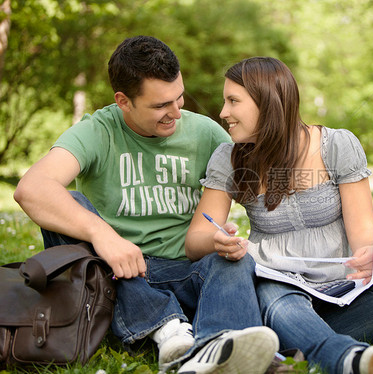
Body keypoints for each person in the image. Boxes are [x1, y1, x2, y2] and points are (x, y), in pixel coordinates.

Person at [13, 37, 279, 374]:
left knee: (232, 260)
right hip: (116, 278)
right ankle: (168, 329)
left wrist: (220, 238)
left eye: (178, 97)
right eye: (160, 106)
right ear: (123, 101)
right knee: (67, 204)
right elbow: (32, 189)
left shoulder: (206, 133)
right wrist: (103, 235)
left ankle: (216, 349)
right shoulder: (96, 131)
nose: (176, 112)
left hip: (185, 271)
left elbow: (260, 191)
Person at [184, 57, 373, 374]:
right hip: (280, 286)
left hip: (342, 289)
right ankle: (340, 356)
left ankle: (291, 344)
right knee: (276, 299)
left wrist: (368, 253)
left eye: (233, 101)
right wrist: (216, 240)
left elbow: (364, 230)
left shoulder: (336, 146)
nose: (223, 113)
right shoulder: (228, 158)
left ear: (267, 103)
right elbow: (195, 241)